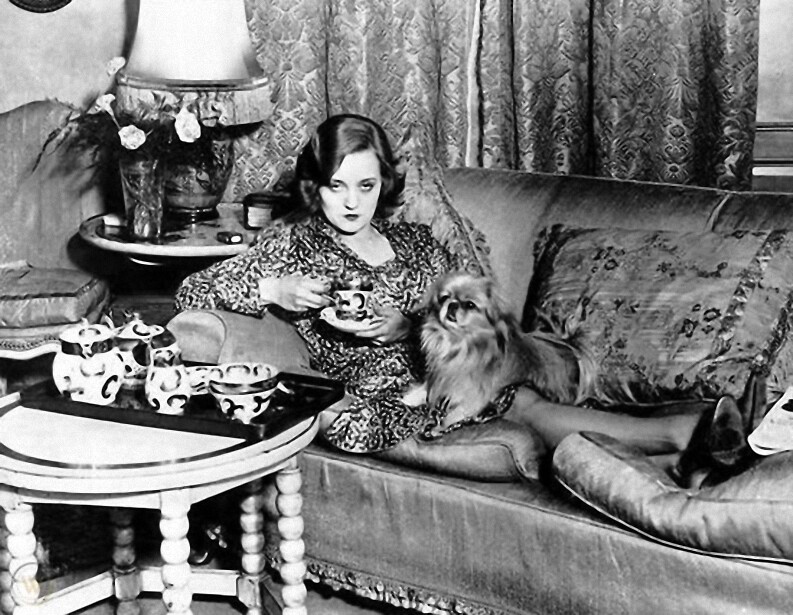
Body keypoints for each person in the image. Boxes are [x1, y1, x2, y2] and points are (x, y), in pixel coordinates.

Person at [175, 113, 750, 480]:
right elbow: (193, 290)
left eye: (366, 186)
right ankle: (683, 437)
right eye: (336, 186)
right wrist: (274, 288)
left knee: (515, 389)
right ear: (315, 186)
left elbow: (461, 315)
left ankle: (679, 447)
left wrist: (404, 325)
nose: (351, 203)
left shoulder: (415, 242)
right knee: (523, 408)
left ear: (384, 184)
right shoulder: (295, 243)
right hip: (384, 388)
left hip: (453, 369)